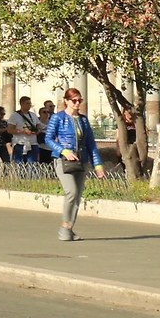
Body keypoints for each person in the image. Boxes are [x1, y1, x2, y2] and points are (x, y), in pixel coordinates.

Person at [44, 88, 101, 242]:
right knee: (71, 192)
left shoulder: (83, 120)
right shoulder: (58, 118)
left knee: (77, 196)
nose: (77, 103)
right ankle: (64, 225)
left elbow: (91, 144)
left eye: (79, 100)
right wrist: (63, 151)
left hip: (81, 161)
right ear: (66, 101)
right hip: (63, 161)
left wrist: (98, 165)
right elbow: (48, 139)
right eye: (74, 100)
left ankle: (69, 229)